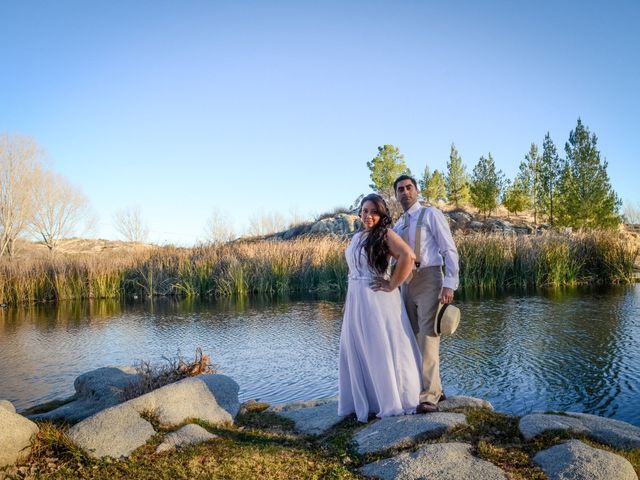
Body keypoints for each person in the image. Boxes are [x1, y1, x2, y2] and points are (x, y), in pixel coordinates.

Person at [373, 174, 459, 414]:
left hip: (430, 278)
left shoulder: (431, 215)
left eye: (409, 187)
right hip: (406, 283)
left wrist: (449, 283)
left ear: (417, 190)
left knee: (429, 337)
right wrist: (388, 279)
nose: (405, 192)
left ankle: (429, 396)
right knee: (410, 336)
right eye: (400, 189)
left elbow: (449, 249)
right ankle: (433, 390)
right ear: (396, 194)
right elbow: (395, 257)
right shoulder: (398, 225)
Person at [338, 193, 422, 423]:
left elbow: (408, 256)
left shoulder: (385, 234)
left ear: (381, 214)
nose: (368, 215)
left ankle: (392, 400)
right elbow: (352, 273)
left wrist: (393, 283)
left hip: (378, 298)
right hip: (357, 299)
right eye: (365, 211)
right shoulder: (357, 237)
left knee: (379, 348)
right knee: (359, 347)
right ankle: (369, 401)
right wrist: (348, 302)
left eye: (374, 211)